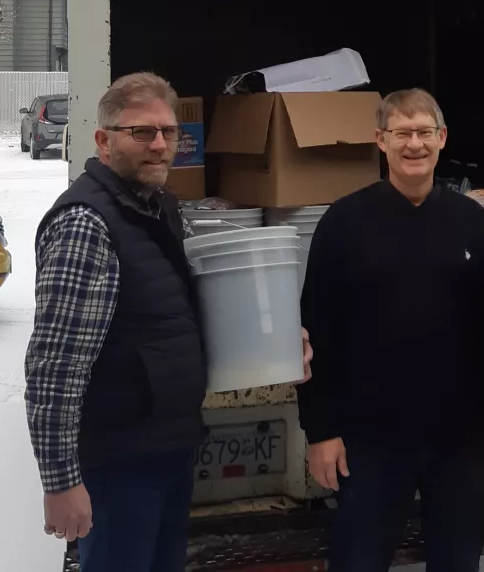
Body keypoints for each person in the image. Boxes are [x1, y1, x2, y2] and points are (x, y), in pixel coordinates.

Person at [25, 71, 313, 571]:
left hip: (167, 449)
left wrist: (281, 340)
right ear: (103, 140)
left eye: (169, 132)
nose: (159, 145)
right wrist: (60, 482)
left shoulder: (158, 211)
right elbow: (54, 369)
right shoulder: (86, 225)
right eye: (141, 132)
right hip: (119, 464)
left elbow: (180, 317)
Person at [297, 88, 484, 572]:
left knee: (458, 561)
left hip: (458, 437)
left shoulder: (471, 221)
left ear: (441, 139)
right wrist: (321, 430)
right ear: (380, 140)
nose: (413, 144)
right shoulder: (343, 222)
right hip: (368, 439)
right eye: (401, 133)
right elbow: (315, 334)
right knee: (360, 560)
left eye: (423, 132)